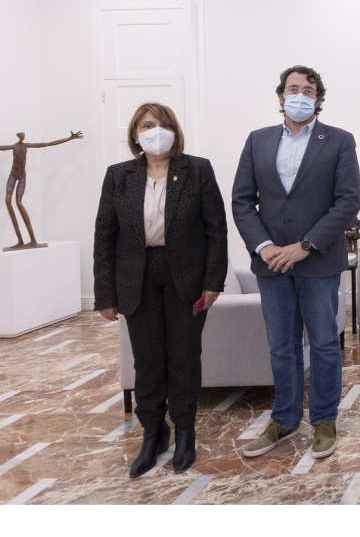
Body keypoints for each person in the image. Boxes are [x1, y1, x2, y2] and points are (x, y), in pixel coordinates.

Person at [232, 65, 360, 460]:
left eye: (308, 90)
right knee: (281, 347)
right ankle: (284, 420)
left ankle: (324, 421)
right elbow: (242, 201)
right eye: (293, 89)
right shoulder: (257, 140)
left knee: (324, 344)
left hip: (317, 262)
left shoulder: (338, 140)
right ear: (280, 96)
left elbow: (347, 202)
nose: (300, 95)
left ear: (318, 98)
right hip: (271, 264)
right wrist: (264, 246)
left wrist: (305, 246)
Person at [93, 103, 227, 477]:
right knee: (147, 361)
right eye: (148, 125)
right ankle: (153, 432)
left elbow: (216, 229)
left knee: (184, 357)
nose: (157, 130)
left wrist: (213, 281)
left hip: (186, 276)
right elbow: (104, 235)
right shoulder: (118, 176)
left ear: (175, 130)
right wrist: (105, 293)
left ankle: (185, 431)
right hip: (136, 278)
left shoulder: (197, 170)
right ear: (136, 134)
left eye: (164, 123)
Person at [2, 130, 83, 250]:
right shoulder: (13, 147)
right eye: (21, 135)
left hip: (22, 175)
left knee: (18, 203)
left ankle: (33, 240)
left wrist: (69, 138)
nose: (23, 136)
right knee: (7, 201)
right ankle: (20, 241)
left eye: (24, 135)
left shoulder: (26, 145)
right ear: (18, 136)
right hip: (13, 175)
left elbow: (48, 144)